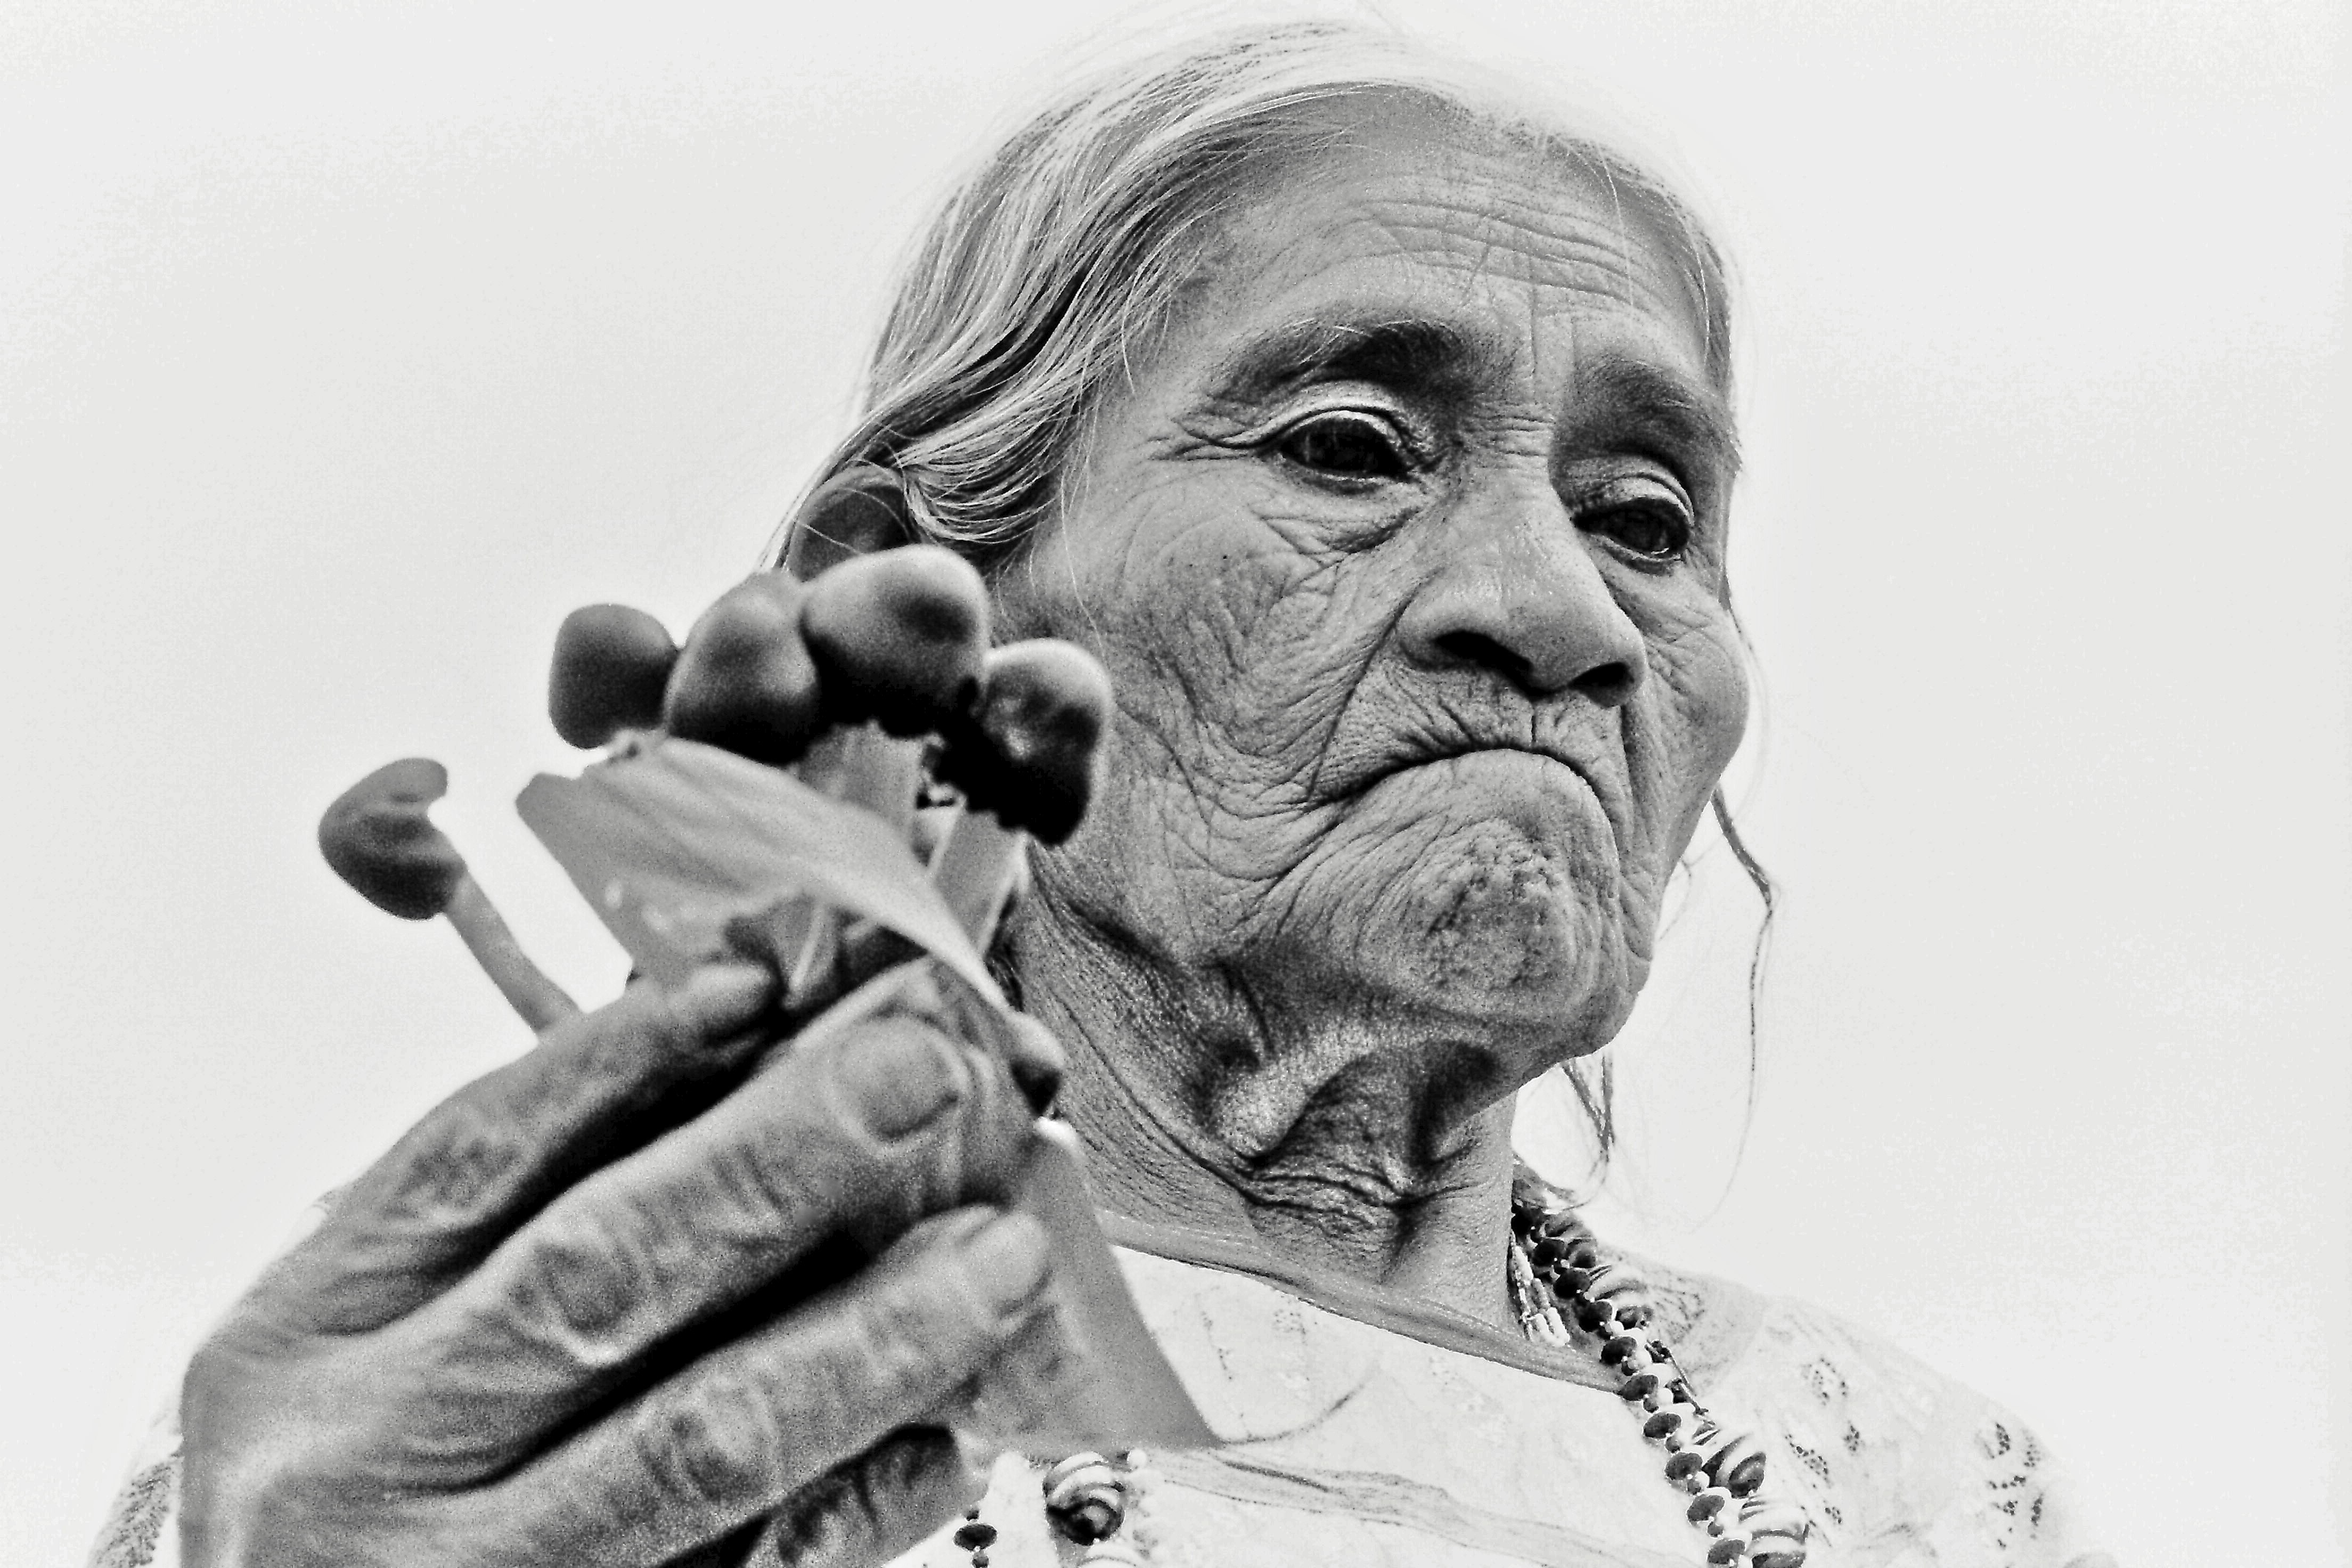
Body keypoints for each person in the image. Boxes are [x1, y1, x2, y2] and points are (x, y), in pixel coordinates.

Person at [89, 21, 2111, 1568]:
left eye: (1649, 516)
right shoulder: (531, 1388)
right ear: (932, 606)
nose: (1556, 607)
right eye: (1348, 445)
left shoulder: (1921, 1490)